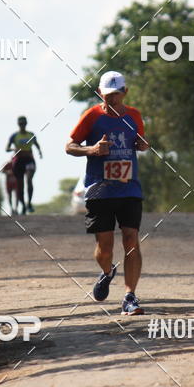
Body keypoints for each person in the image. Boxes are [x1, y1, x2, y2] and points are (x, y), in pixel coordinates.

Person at [65, 70, 149, 315]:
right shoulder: (91, 116)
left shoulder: (134, 115)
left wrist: (142, 145)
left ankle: (130, 297)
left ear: (125, 92)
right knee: (105, 246)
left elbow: (140, 141)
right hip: (100, 190)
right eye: (107, 95)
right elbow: (69, 146)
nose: (111, 99)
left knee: (131, 239)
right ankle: (107, 271)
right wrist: (92, 150)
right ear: (100, 93)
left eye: (116, 94)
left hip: (129, 187)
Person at [6, 116, 42, 214]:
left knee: (29, 179)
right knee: (20, 185)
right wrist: (14, 149)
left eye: (24, 123)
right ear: (18, 124)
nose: (22, 125)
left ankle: (29, 203)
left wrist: (39, 152)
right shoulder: (14, 136)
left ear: (26, 123)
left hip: (29, 159)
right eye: (20, 123)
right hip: (18, 161)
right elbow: (7, 148)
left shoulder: (31, 135)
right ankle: (23, 205)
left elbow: (36, 144)